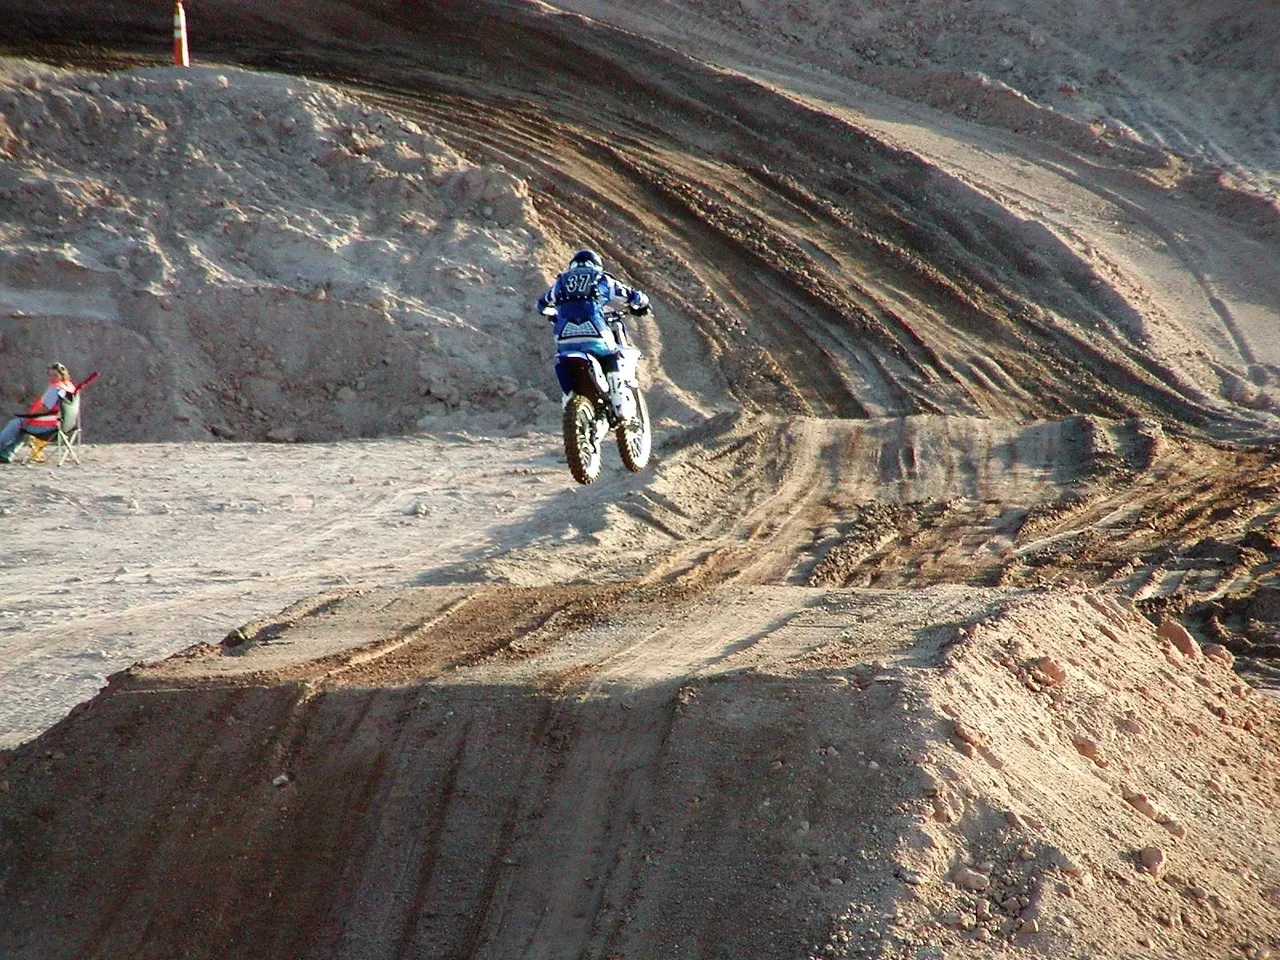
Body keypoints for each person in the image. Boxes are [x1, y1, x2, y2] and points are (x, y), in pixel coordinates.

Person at [536, 249, 651, 417]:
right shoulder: (601, 278)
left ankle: (571, 403)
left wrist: (554, 315)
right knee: (612, 355)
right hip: (594, 330)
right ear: (596, 265)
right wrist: (643, 303)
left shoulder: (560, 282)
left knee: (566, 370)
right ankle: (620, 407)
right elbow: (630, 295)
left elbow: (541, 306)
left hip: (564, 337)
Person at [0, 362, 77, 463]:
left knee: (16, 424)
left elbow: (45, 408)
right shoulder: (69, 387)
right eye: (50, 375)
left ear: (62, 376)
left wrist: (28, 418)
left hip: (49, 428)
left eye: (55, 375)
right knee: (21, 427)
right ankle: (6, 454)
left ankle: (6, 451)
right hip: (66, 427)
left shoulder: (55, 388)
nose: (52, 378)